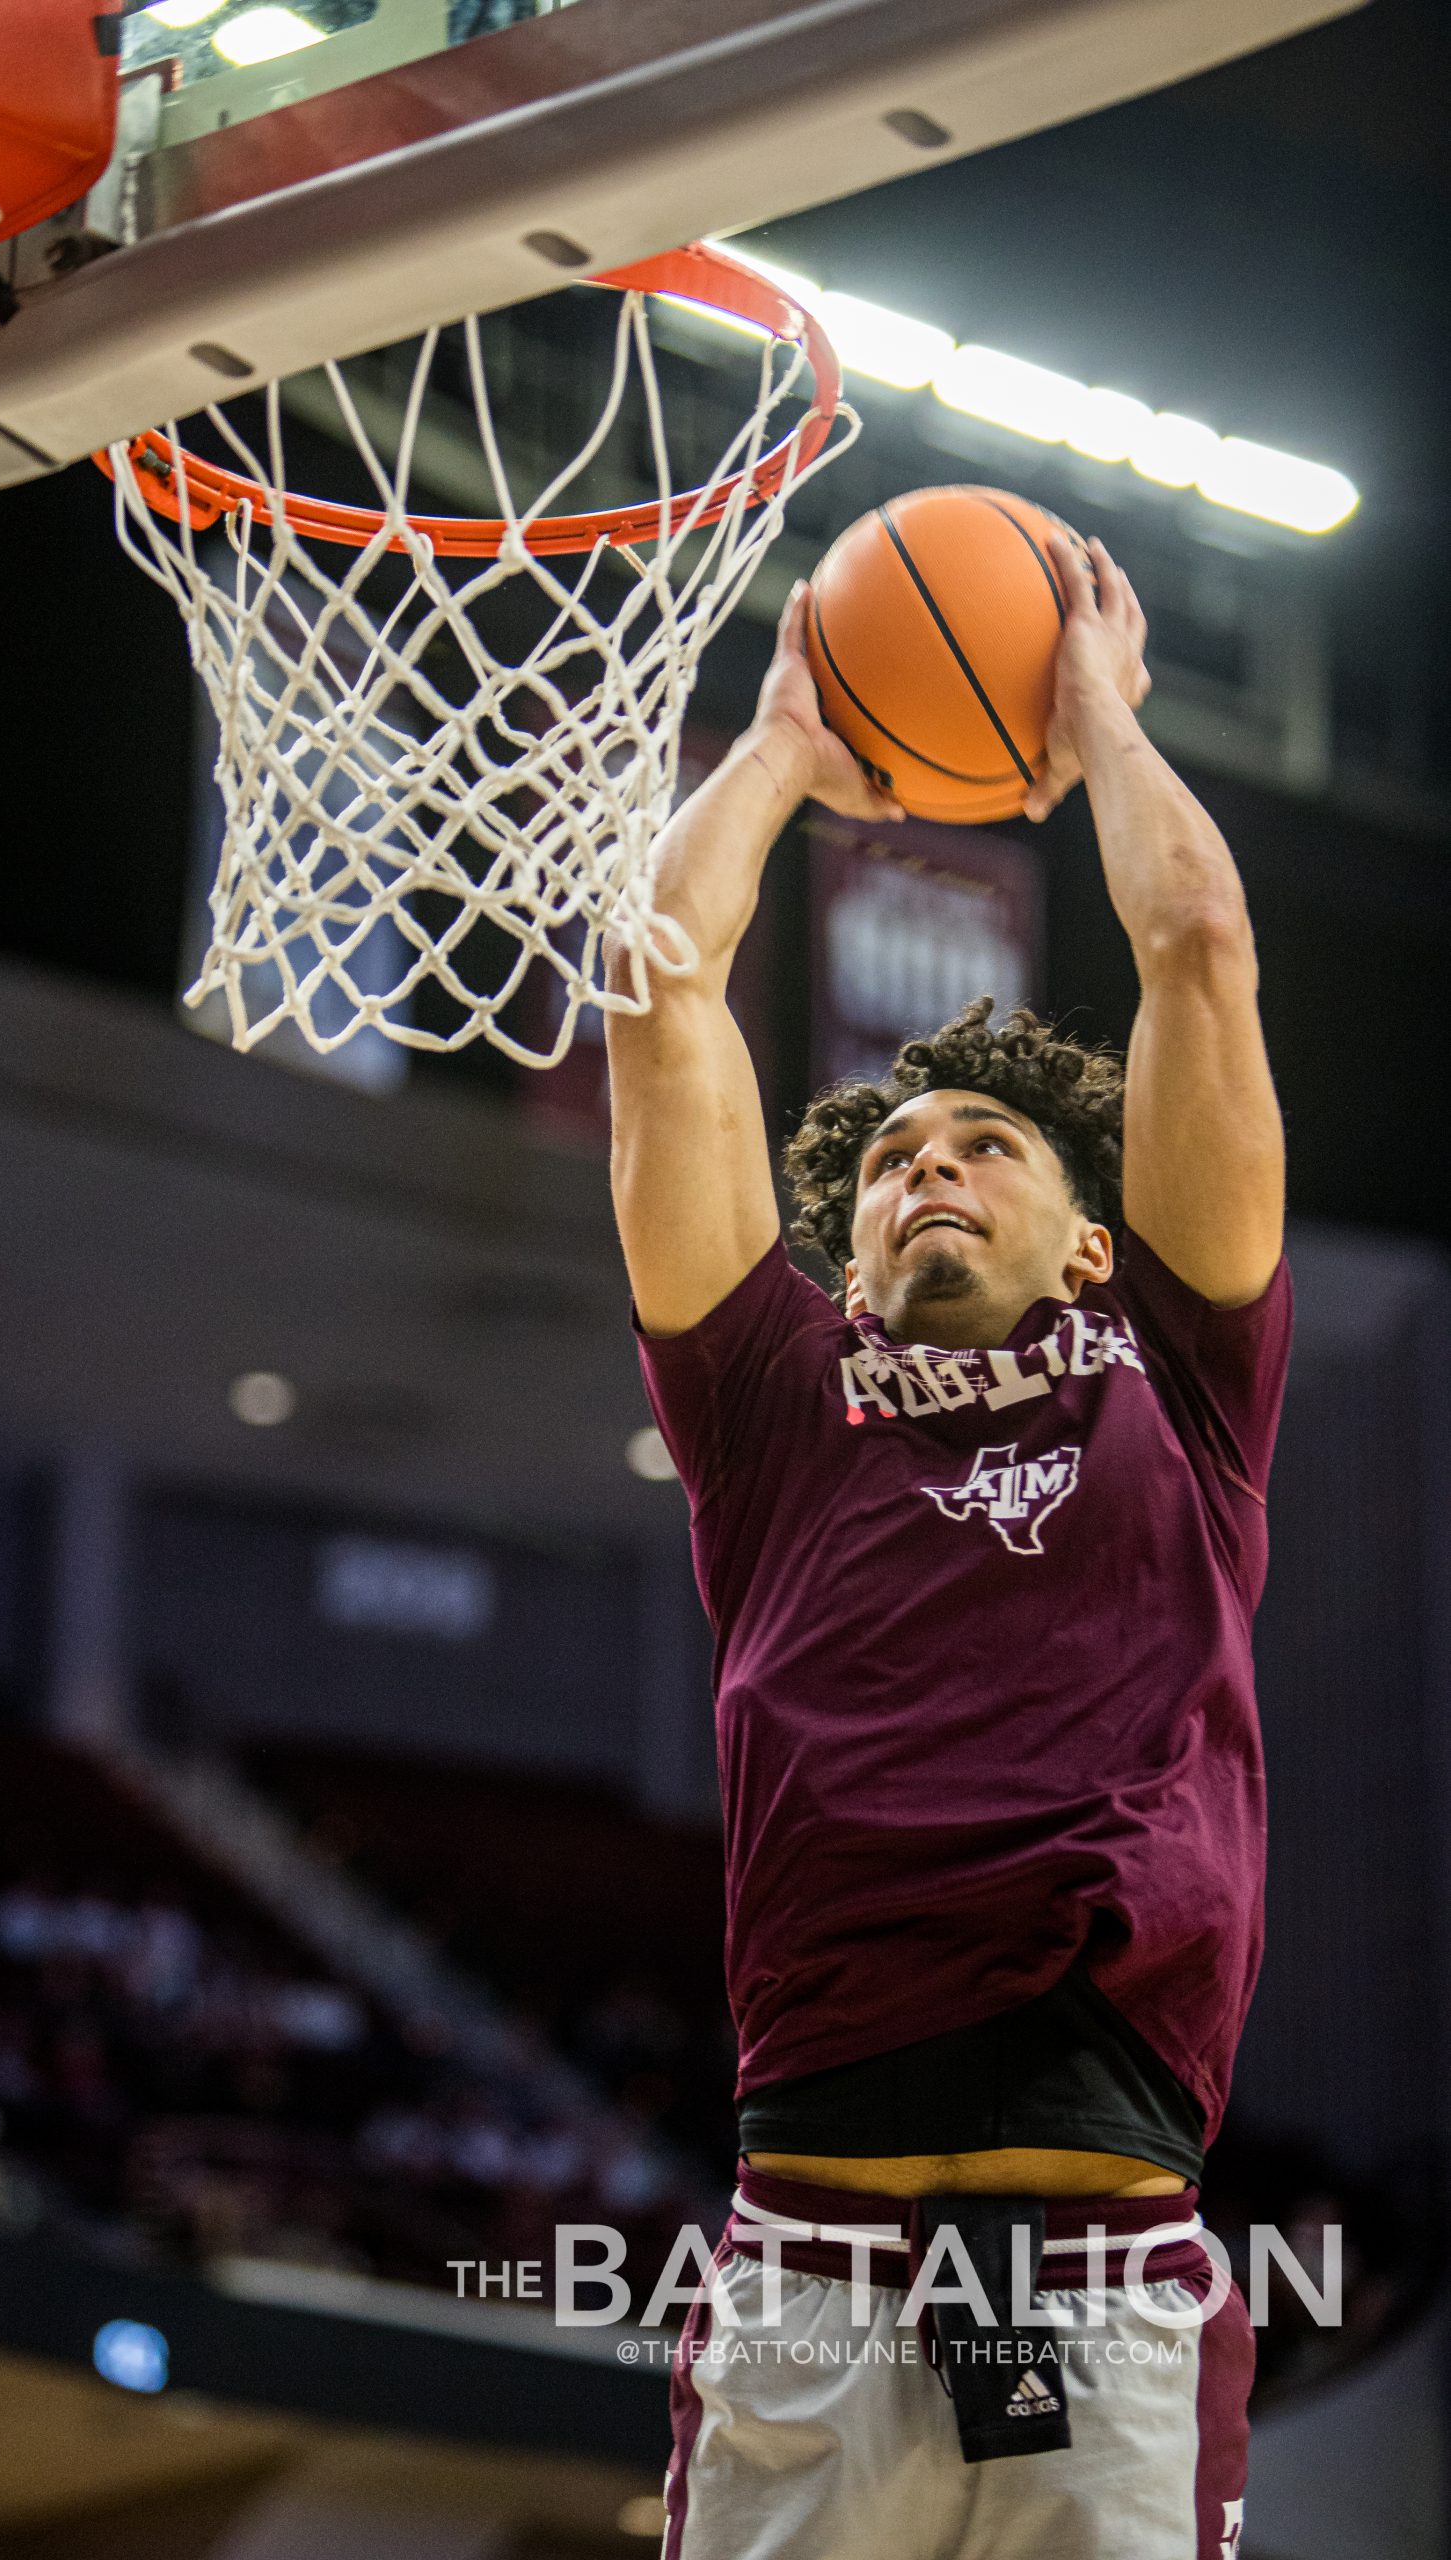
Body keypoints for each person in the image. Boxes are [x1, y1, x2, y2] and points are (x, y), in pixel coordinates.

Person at [605, 535, 1289, 2560]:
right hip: (810, 2241)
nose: (922, 1166)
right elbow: (654, 993)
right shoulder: (766, 1393)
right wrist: (777, 751)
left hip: (1077, 2245)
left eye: (978, 1146)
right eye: (891, 1156)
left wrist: (1093, 723)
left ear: (1085, 1233)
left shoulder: (1173, 1361)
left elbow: (1195, 950)